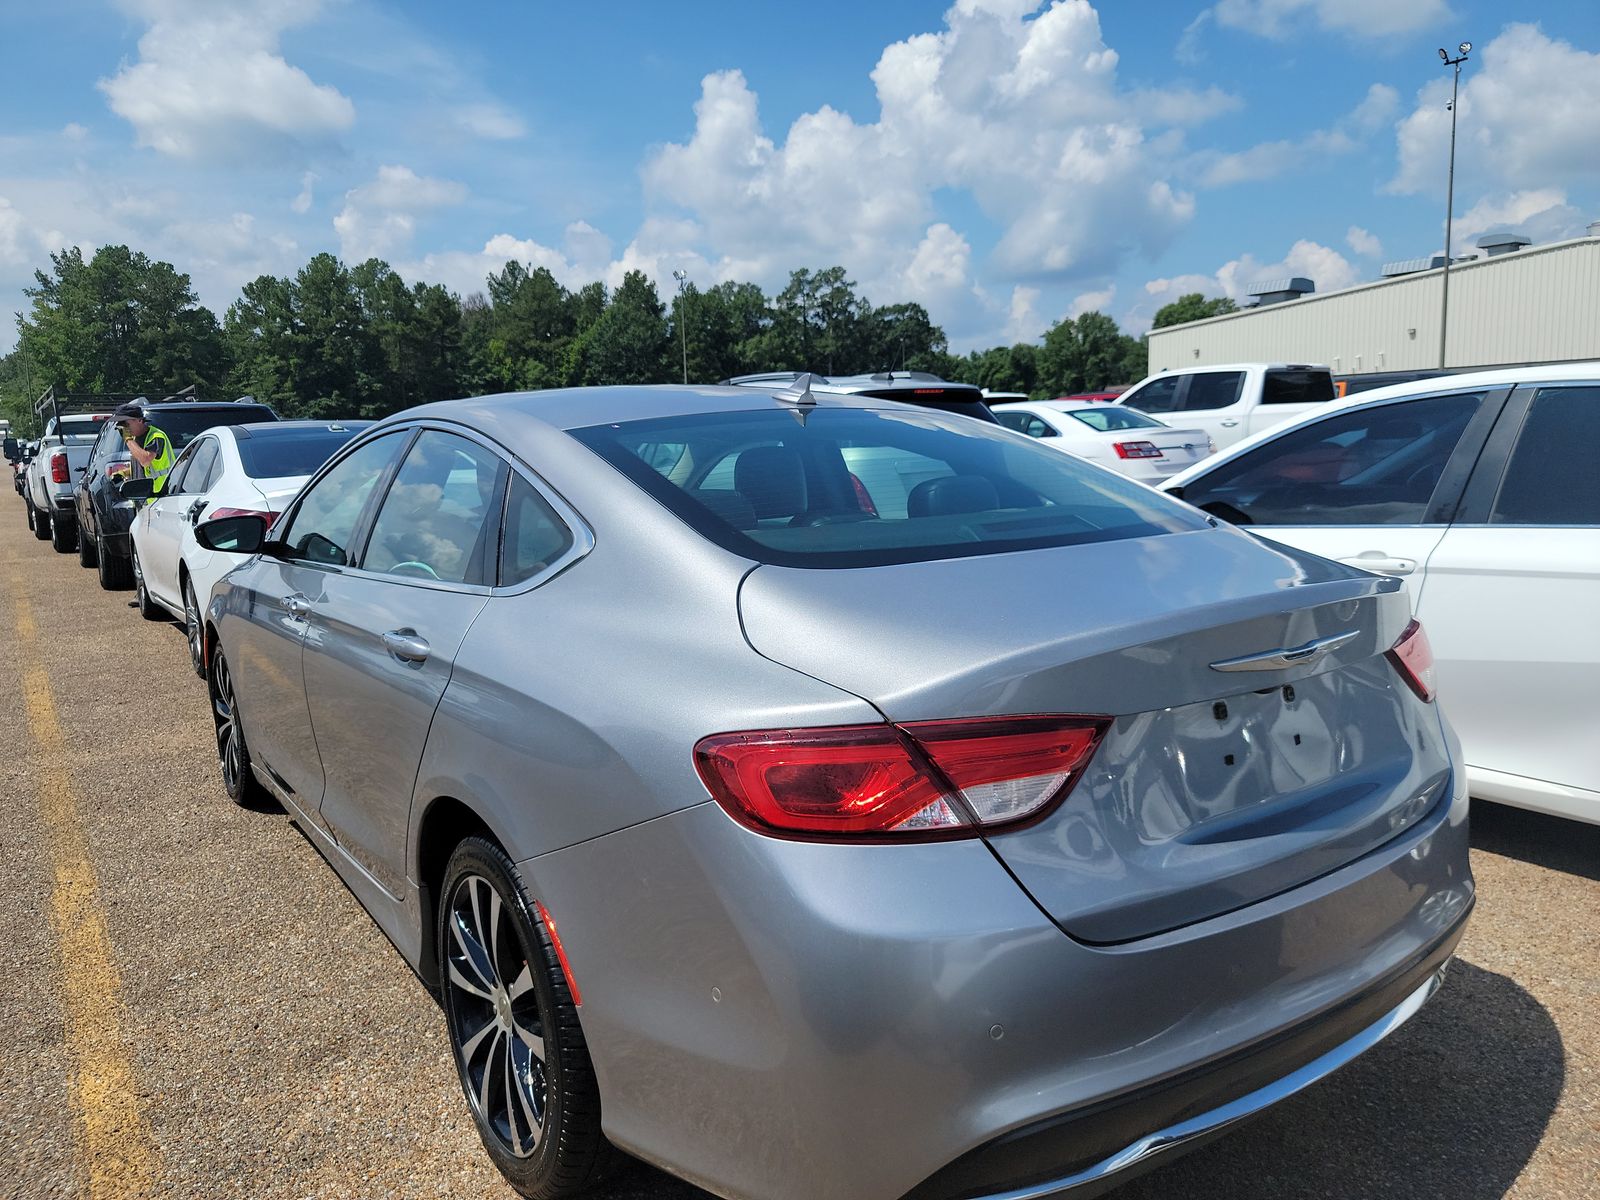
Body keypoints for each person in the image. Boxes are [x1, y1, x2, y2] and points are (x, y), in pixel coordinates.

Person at [113, 401, 175, 495]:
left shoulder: (156, 437)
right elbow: (144, 469)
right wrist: (125, 473)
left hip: (160, 496)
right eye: (120, 424)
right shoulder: (135, 440)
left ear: (140, 420)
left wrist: (127, 438)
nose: (124, 428)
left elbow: (145, 460)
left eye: (126, 424)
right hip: (144, 497)